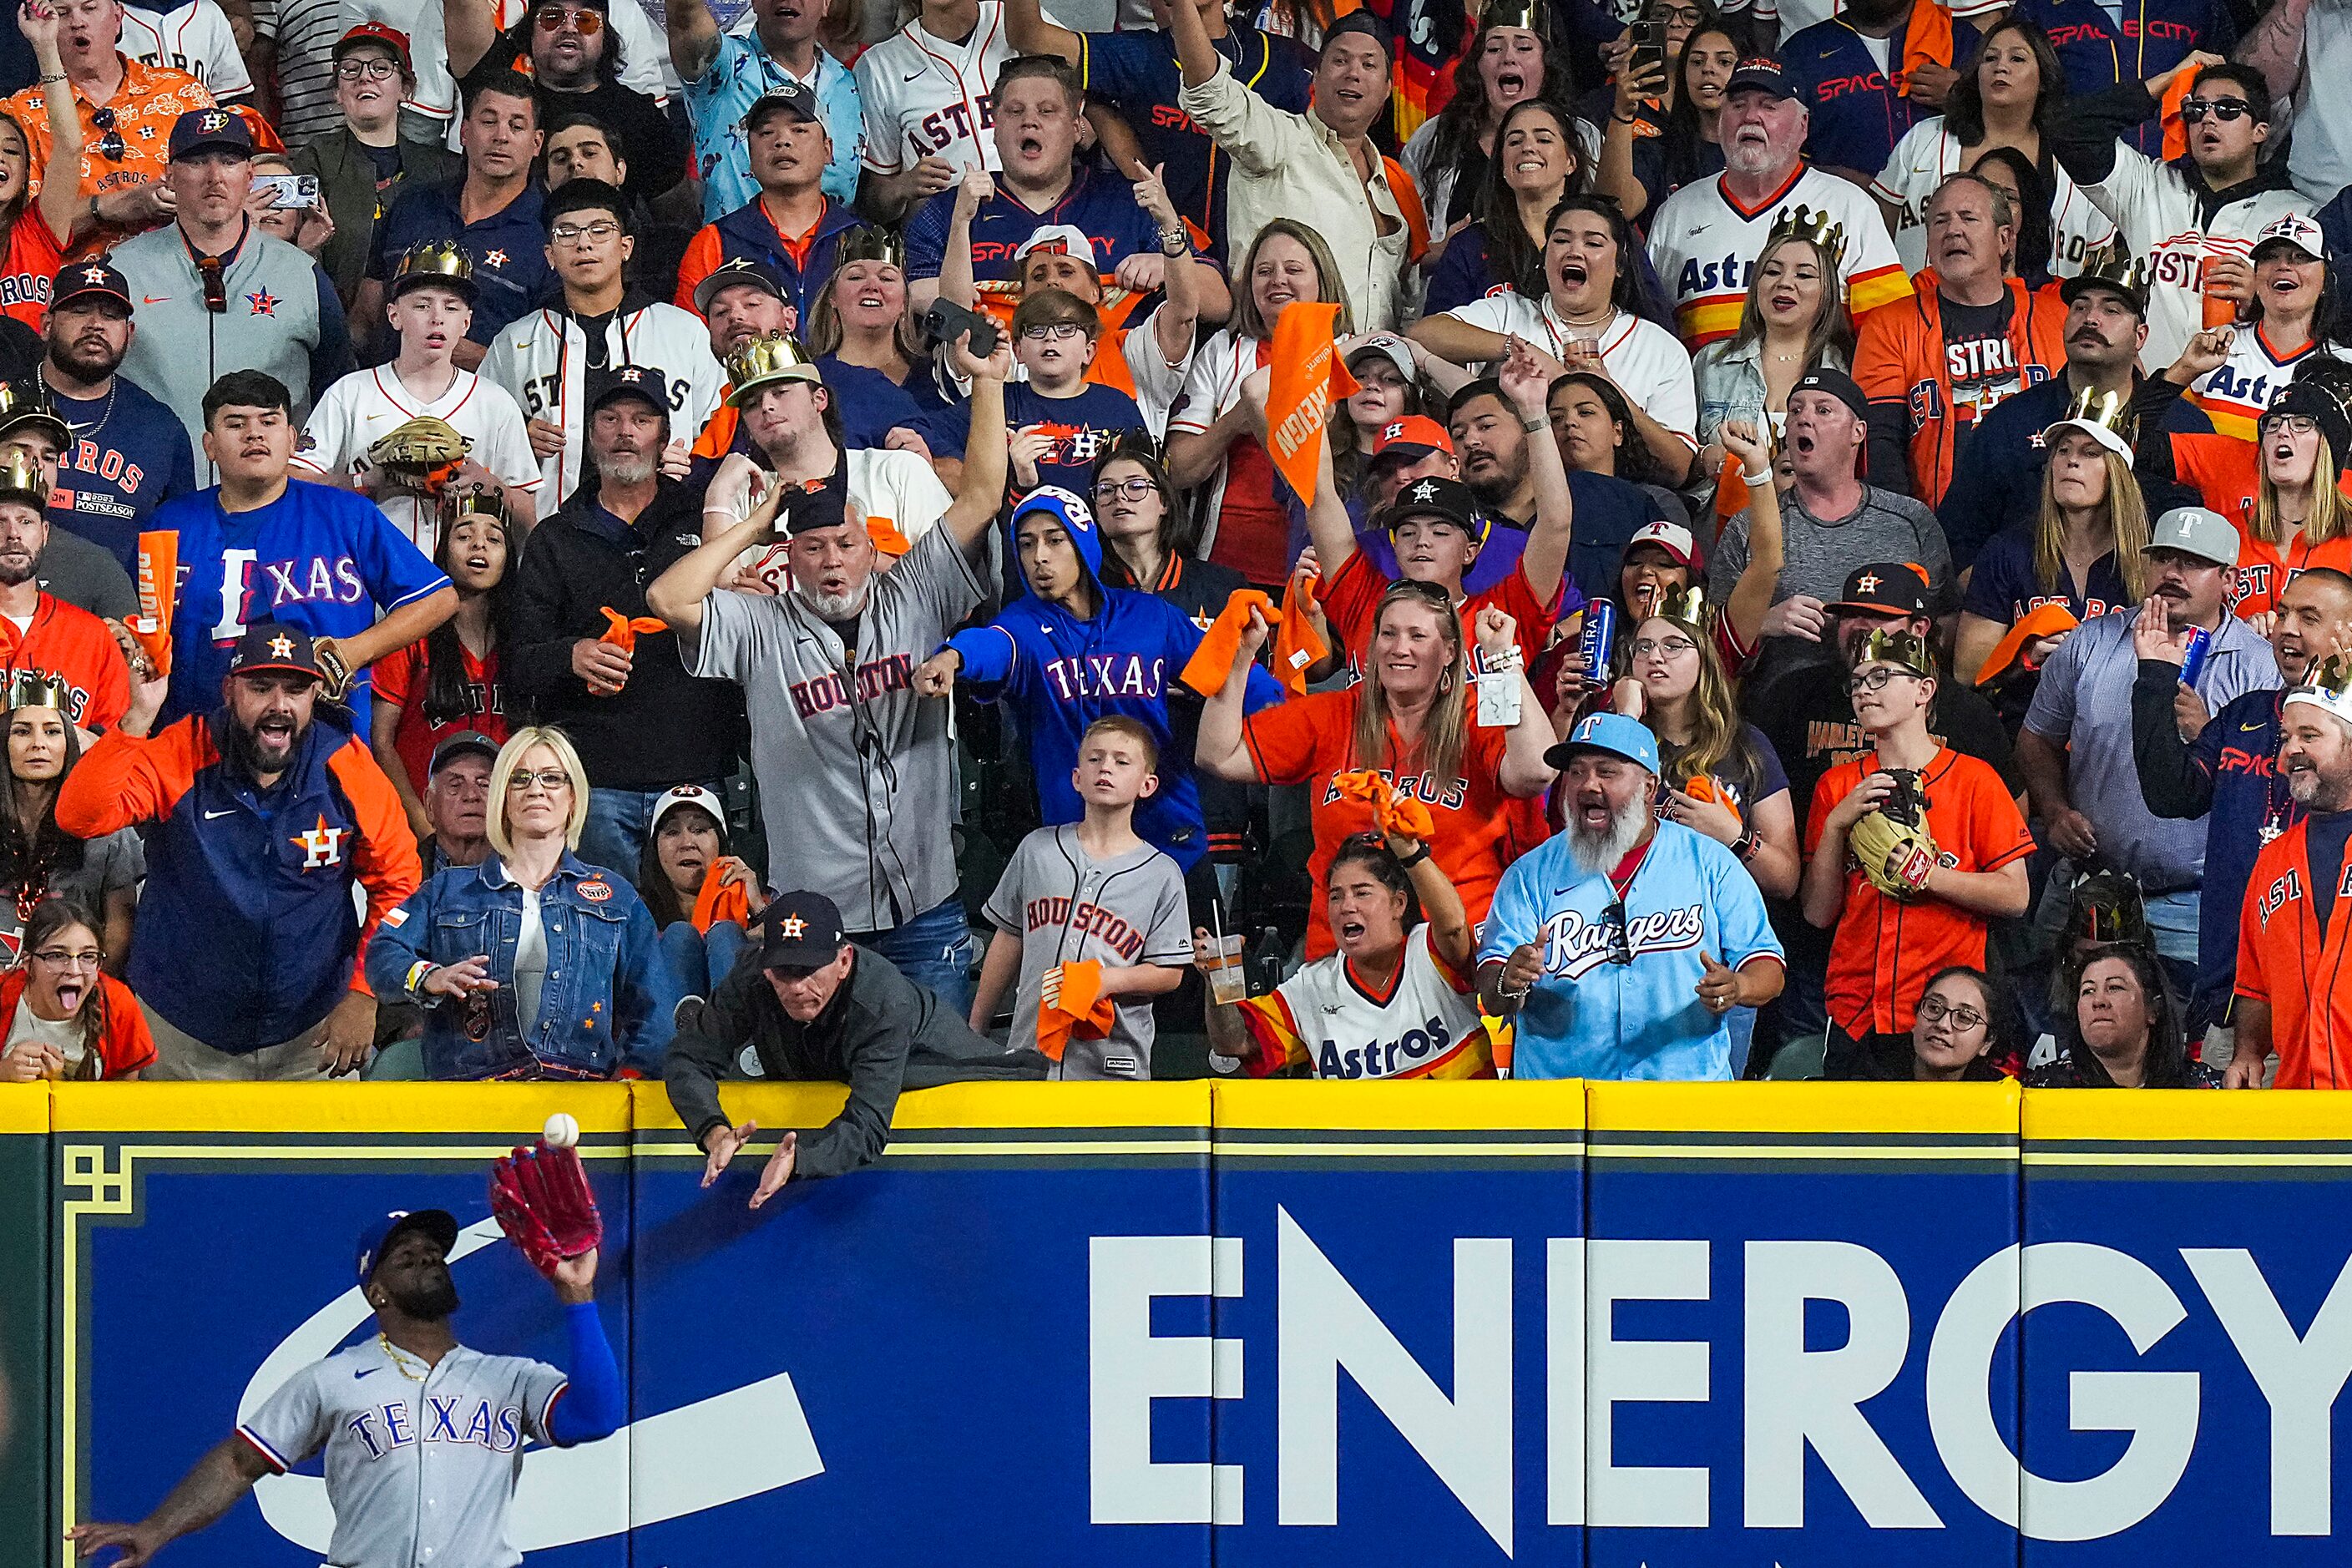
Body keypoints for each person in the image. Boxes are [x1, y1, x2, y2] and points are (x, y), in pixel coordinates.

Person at [644, 331, 1007, 1012]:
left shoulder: (915, 593)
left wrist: (987, 381)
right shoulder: (761, 626)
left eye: (846, 544)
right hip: (817, 920)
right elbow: (667, 599)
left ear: (872, 549)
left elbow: (983, 494)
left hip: (925, 907)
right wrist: (752, 526)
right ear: (792, 556)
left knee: (936, 1089)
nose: (832, 561)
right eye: (812, 548)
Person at [66, 1206, 621, 1568]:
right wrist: (156, 1530)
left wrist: (578, 1296)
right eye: (407, 1257)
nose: (427, 1257)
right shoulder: (333, 1378)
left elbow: (595, 1416)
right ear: (377, 1293)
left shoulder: (508, 1378)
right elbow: (239, 1462)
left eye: (433, 1253)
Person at [55, 620, 421, 1078]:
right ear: (230, 690)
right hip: (179, 1028)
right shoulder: (183, 750)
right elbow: (81, 816)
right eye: (261, 688)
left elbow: (400, 880)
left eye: (296, 690)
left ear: (315, 696)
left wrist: (364, 991)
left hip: (313, 1032)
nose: (279, 705)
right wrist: (138, 718)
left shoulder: (345, 763)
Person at [918, 475, 1286, 883]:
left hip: (1172, 837)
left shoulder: (1149, 617)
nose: (1039, 556)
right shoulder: (1022, 625)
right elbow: (993, 646)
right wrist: (955, 657)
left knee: (1205, 949)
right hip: (1080, 850)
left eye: (1055, 540)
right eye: (1026, 543)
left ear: (1083, 543)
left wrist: (1278, 706)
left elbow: (1225, 666)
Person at [1199, 590, 1557, 959]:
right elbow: (1218, 756)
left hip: (1455, 958)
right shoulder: (1336, 713)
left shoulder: (1480, 708)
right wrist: (1240, 658)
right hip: (1342, 958)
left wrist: (1504, 659)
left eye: (1417, 636)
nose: (1399, 648)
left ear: (1450, 652)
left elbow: (1536, 772)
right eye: (1388, 634)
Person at [2021, 505, 2281, 1004]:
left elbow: (2272, 791)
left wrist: (2212, 735)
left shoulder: (2258, 666)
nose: (2172, 573)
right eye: (2162, 557)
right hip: (2087, 884)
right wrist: (2053, 810)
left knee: (2184, 1056)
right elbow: (2036, 737)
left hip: (2193, 902)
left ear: (2229, 579)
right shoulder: (2092, 640)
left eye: (2192, 562)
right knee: (2057, 1043)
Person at [504, 367, 741, 877]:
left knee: (705, 935)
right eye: (610, 418)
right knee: (608, 935)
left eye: (641, 419)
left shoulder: (704, 519)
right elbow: (519, 661)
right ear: (591, 438)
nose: (625, 432)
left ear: (664, 436)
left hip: (696, 773)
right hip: (598, 779)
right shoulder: (555, 537)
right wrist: (572, 654)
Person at [667, 889, 1048, 1204]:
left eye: (810, 970)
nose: (797, 986)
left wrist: (802, 1159)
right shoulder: (751, 978)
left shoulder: (882, 1000)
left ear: (844, 961)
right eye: (785, 972)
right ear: (766, 967)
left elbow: (867, 1126)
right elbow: (687, 1058)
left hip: (937, 1070)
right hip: (829, 1067)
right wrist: (712, 1131)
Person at [1478, 710, 1783, 1080]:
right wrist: (1507, 981)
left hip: (1683, 1102)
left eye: (1606, 772)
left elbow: (1767, 966)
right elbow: (1493, 990)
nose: (1588, 785)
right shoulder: (1529, 875)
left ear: (1649, 788)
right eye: (1576, 772)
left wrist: (1740, 986)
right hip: (1566, 1107)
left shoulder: (1709, 862)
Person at [149, 369, 458, 730]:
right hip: (196, 743)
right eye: (236, 424)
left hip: (329, 745)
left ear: (292, 439)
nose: (254, 434)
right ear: (210, 446)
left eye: (269, 421)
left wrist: (355, 650)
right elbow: (137, 628)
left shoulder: (345, 513)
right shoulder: (168, 522)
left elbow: (439, 599)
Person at [367, 725, 677, 1080]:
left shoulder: (617, 897)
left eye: (552, 778)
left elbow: (655, 1015)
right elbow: (382, 954)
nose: (536, 789)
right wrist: (428, 976)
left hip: (582, 1104)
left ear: (573, 797)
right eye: (520, 778)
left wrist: (628, 1087)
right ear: (502, 797)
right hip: (471, 1102)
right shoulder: (446, 890)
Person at [1801, 626, 2035, 1078]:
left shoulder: (1974, 779)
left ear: (1924, 690)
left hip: (1941, 1019)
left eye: (1881, 677)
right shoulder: (1837, 786)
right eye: (1857, 682)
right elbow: (1818, 912)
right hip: (1857, 1011)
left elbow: (2016, 896)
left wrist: (1927, 875)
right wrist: (1834, 826)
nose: (1864, 691)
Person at [2134, 566, 2352, 1045]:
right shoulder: (2247, 715)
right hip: (2233, 1007)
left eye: (2309, 617)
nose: (2287, 627)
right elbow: (2171, 795)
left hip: (2336, 1016)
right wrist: (2155, 678)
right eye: (2284, 611)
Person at [109, 108, 352, 480]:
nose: (215, 177)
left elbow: (335, 393)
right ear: (170, 176)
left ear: (250, 176)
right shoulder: (123, 268)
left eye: (229, 161)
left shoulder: (302, 274)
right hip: (149, 493)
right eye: (196, 161)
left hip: (269, 503)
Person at [1936, 248, 2208, 569]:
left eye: (2111, 310)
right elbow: (1958, 540)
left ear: (2140, 336)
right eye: (2080, 307)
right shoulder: (2011, 421)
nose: (2091, 319)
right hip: (2025, 610)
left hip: (2151, 612)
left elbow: (2209, 543)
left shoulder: (2187, 425)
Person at [902, 56, 1225, 325]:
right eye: (1015, 111)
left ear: (1076, 128)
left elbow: (1219, 301)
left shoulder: (1132, 202)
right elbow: (913, 295)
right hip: (992, 384)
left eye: (1047, 111)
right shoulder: (950, 210)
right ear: (995, 128)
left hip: (1115, 387)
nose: (1030, 122)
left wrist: (1167, 266)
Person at [1308, 344, 1572, 672]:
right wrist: (1317, 422)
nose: (1422, 541)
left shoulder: (1501, 615)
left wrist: (1534, 412)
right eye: (1408, 531)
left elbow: (1556, 522)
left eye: (1440, 531)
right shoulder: (1363, 599)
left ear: (1470, 551)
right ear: (1394, 543)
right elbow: (1320, 498)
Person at [1410, 192, 1699, 483]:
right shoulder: (1511, 312)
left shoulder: (1658, 346)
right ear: (1545, 257)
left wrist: (1609, 395)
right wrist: (1517, 349)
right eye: (1561, 240)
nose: (1574, 251)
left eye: (1593, 243)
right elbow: (1423, 334)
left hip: (1617, 497)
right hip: (1514, 496)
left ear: (1620, 265)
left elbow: (1678, 469)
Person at [2045, 56, 2309, 372]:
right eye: (2196, 110)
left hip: (2242, 404)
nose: (2208, 120)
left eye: (2227, 110)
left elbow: (2325, 321)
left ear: (2260, 131)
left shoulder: (2299, 216)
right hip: (2155, 397)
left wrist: (2265, 296)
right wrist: (2167, 81)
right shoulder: (2148, 185)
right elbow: (2067, 130)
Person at [1170, 3, 1423, 331]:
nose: (1353, 73)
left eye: (1369, 64)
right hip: (1276, 367)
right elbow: (1210, 92)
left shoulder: (1392, 183)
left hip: (1366, 374)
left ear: (1388, 88)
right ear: (1315, 76)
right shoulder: (1280, 138)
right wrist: (1182, 5)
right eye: (1340, 60)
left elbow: (1406, 297)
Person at [480, 178, 726, 508]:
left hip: (666, 528)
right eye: (567, 232)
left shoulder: (684, 331)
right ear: (549, 255)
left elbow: (723, 430)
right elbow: (477, 433)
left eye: (600, 230)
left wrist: (694, 464)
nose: (584, 244)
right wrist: (516, 437)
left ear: (626, 247)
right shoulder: (514, 341)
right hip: (550, 530)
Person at [1004, 0, 1313, 260]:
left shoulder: (1282, 58)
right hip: (1164, 249)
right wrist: (1102, 114)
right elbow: (1029, 35)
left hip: (1260, 253)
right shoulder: (1141, 54)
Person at [970, 715, 1189, 1076]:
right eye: (1094, 759)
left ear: (1147, 785)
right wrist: (977, 1027)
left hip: (1113, 1063)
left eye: (1121, 761)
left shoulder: (1161, 872)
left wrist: (1108, 981)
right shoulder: (1037, 849)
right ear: (1076, 777)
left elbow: (1170, 973)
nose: (1106, 768)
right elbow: (1009, 938)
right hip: (1031, 1054)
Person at [1707, 367, 1951, 690]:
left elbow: (1947, 626)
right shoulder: (1748, 527)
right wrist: (1762, 623)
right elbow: (1707, 647)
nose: (1804, 420)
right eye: (1795, 411)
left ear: (1858, 432)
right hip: (1776, 714)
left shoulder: (1909, 520)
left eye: (1823, 410)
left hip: (1887, 707)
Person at [1646, 58, 1911, 349]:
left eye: (1769, 106)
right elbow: (1652, 338)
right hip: (1702, 393)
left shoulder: (1850, 207)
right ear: (1721, 121)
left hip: (1813, 393)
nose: (1750, 117)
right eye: (1737, 105)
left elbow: (1892, 335)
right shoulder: (1676, 213)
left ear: (1803, 125)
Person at [296, 240, 540, 547]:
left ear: (466, 322)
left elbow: (532, 519)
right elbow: (296, 485)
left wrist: (490, 485)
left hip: (459, 585)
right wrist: (364, 482)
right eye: (422, 305)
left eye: (450, 307)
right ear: (394, 315)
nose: (437, 317)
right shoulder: (351, 393)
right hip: (362, 582)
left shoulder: (495, 403)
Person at [1204, 822, 1490, 1078]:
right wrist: (1217, 979)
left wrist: (1412, 854)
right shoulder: (1312, 985)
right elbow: (1234, 1043)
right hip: (1361, 1137)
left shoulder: (1428, 951)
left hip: (1457, 1132)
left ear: (1398, 904)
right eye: (1336, 896)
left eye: (1362, 892)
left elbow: (1453, 926)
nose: (1347, 906)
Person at [1854, 172, 2068, 507]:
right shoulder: (1888, 325)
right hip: (1937, 529)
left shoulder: (2060, 318)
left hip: (2047, 525)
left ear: (2004, 239)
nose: (1953, 230)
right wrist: (1906, 533)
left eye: (1969, 218)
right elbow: (1879, 444)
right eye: (1940, 221)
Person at [1163, 216, 1349, 589]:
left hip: (1326, 563)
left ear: (1322, 280)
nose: (1277, 279)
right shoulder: (1222, 352)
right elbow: (1177, 470)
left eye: (1293, 269)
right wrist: (1237, 419)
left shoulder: (1354, 354)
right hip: (1225, 565)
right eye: (1264, 271)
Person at [1869, 14, 2117, 280]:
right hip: (1925, 311)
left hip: (2043, 314)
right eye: (1990, 58)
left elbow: (2103, 259)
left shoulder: (2076, 157)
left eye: (2017, 58)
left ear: (2044, 79)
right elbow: (1877, 230)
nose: (2000, 67)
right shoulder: (1925, 137)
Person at [1957, 393, 2144, 716]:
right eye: (2063, 450)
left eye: (2090, 453)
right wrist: (2024, 657)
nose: (2071, 461)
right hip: (2019, 723)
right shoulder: (2007, 551)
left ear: (2118, 472)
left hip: (2114, 731)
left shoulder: (2147, 561)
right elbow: (1966, 672)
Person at [2137, 351, 2352, 620]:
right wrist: (2239, 639)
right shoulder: (2222, 531)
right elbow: (2126, 443)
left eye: (2301, 424)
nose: (2282, 432)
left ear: (2331, 447)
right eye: (2272, 425)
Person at [1612, 602, 1802, 898]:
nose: (1655, 657)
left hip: (1716, 919)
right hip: (1628, 913)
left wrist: (1733, 835)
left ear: (1704, 660)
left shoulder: (1746, 744)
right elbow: (1586, 843)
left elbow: (1785, 880)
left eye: (1673, 646)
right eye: (1643, 647)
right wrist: (1626, 722)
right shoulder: (1610, 733)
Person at [4, 0, 213, 260]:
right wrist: (108, 207)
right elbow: (18, 234)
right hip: (71, 290)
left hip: (181, 276)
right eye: (61, 13)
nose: (77, 22)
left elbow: (224, 185)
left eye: (90, 8)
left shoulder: (181, 94)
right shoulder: (19, 115)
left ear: (118, 17)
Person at [366, 75, 549, 367]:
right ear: (464, 132)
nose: (501, 136)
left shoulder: (548, 234)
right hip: (389, 398)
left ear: (537, 142)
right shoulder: (411, 205)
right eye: (488, 122)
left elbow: (549, 358)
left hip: (491, 405)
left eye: (516, 126)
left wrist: (468, 355)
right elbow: (366, 314)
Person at [905, 284, 1145, 501]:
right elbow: (916, 430)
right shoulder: (996, 401)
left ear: (1089, 352)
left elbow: (1147, 483)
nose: (1051, 337)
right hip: (1016, 539)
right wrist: (950, 466)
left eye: (1065, 328)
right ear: (1017, 351)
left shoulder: (1116, 405)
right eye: (1037, 330)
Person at [2231, 659, 2352, 1088]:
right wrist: (2247, 1051)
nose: (2290, 750)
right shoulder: (2273, 860)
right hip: (2301, 1106)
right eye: (2285, 738)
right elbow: (2254, 983)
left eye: (2310, 735)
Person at [288, 23, 461, 313]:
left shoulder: (442, 168)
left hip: (420, 327)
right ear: (338, 93)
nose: (364, 77)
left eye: (381, 68)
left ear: (406, 88)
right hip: (332, 321)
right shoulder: (315, 158)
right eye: (350, 69)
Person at [36, 258, 195, 571]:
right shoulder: (8, 402)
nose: (95, 324)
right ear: (46, 326)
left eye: (111, 315)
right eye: (79, 311)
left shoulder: (161, 428)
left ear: (129, 334)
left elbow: (179, 545)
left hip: (119, 612)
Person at [369, 490, 511, 836]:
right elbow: (381, 741)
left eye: (493, 538)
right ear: (443, 551)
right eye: (463, 535)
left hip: (505, 831)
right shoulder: (411, 634)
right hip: (423, 826)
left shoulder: (521, 641)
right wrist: (420, 824)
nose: (479, 546)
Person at [447, 0, 684, 204]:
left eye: (586, 20)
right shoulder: (497, 86)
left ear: (605, 36)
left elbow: (674, 218)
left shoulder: (639, 115)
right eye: (552, 17)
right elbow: (463, 7)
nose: (569, 27)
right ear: (530, 30)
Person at [673, 82, 862, 326]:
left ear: (828, 150)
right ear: (750, 159)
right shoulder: (713, 242)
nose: (782, 141)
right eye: (766, 133)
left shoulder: (862, 238)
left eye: (799, 130)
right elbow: (690, 343)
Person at [1692, 222, 1854, 498]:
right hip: (1724, 527)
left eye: (1804, 275)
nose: (1784, 283)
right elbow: (1682, 465)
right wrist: (1706, 459)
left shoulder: (1846, 368)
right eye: (1772, 271)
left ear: (1827, 293)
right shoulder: (1712, 362)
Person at [1397, 7, 1579, 247]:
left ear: (1547, 64)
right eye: (1493, 48)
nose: (1508, 57)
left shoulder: (1580, 137)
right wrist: (1441, 254)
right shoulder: (1435, 139)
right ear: (1477, 66)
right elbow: (1401, 249)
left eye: (1524, 47)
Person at [667, 0, 862, 223]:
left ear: (826, 4)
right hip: (734, 253)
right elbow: (684, 17)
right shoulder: (723, 68)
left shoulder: (847, 85)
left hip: (830, 253)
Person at [2173, 212, 2351, 440]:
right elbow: (2156, 422)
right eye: (2270, 257)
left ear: (2326, 280)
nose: (2283, 266)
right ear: (2256, 277)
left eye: (2300, 257)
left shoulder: (2345, 367)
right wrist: (2184, 370)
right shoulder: (2217, 345)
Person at [0, 676, 137, 958]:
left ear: (70, 743)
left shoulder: (106, 824)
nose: (38, 744)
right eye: (22, 732)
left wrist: (93, 994)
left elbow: (120, 931)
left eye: (52, 732)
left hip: (77, 987)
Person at [852, 0, 1025, 221]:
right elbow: (873, 205)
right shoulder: (880, 66)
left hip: (1036, 224)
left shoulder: (1020, 24)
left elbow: (1077, 110)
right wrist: (902, 187)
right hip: (940, 239)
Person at [1783, 0, 1977, 185]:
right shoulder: (1801, 51)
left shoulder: (1962, 40)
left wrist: (1965, 96)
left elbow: (2004, 131)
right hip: (1842, 209)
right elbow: (1778, 156)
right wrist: (1839, 182)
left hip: (1951, 207)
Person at [1423, 98, 1588, 316]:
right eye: (1514, 142)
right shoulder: (1469, 246)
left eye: (1544, 140)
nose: (1528, 148)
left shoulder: (1606, 237)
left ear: (1571, 162)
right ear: (1502, 164)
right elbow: (1433, 334)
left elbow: (1645, 321)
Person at [0, 443, 124, 728]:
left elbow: (121, 750)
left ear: (44, 533)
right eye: (0, 522)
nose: (13, 534)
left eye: (26, 521)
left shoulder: (93, 637)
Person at [0, 3, 82, 334]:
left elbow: (70, 146)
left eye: (11, 151)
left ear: (24, 178)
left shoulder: (38, 231)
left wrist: (46, 47)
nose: (0, 159)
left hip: (30, 383)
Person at [0, 893, 148, 1078]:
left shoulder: (118, 1004)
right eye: (57, 956)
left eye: (88, 956)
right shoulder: (4, 995)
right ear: (28, 964)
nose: (74, 970)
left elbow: (128, 1098)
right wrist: (3, 1072)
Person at [2031, 941, 2216, 1086]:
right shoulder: (2047, 1087)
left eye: (2114, 987)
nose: (2098, 1001)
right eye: (2088, 991)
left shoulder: (2199, 1089)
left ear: (2153, 1009)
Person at [635, 781, 760, 996]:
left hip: (741, 1023)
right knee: (680, 935)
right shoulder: (634, 912)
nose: (687, 843)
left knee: (725, 933)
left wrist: (758, 908)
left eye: (700, 830)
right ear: (655, 848)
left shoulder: (756, 904)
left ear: (722, 842)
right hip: (664, 1026)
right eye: (672, 832)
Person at [1906, 964, 2020, 1081]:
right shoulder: (1886, 1059)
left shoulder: (1996, 1092)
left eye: (1963, 1017)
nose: (1942, 1024)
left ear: (1987, 1042)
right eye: (1934, 1008)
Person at [414, 727, 497, 874]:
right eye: (455, 785)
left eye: (484, 784)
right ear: (429, 804)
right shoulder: (399, 876)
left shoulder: (533, 876)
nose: (471, 795)